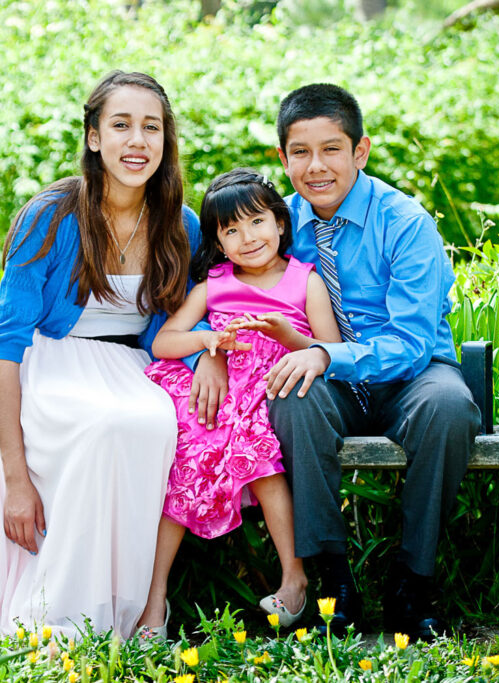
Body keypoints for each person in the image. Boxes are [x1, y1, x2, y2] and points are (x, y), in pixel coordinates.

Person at [0, 71, 201, 639]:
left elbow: (189, 320)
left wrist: (209, 358)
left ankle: (126, 612)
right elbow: (5, 348)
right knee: (103, 427)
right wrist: (16, 481)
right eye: (120, 125)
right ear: (94, 137)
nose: (137, 141)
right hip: (47, 365)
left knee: (153, 423)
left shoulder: (181, 225)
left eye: (151, 127)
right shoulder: (49, 217)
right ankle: (59, 617)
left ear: (166, 141)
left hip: (131, 370)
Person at [265, 84, 482, 640]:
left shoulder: (406, 222)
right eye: (300, 152)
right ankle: (332, 580)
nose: (317, 166)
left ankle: (415, 579)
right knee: (294, 395)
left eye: (332, 149)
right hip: (326, 376)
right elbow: (221, 289)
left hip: (411, 376)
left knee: (450, 407)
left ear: (360, 152)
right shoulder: (278, 224)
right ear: (282, 157)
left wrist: (325, 352)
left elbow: (410, 343)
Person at [135, 169, 343, 638]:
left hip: (269, 393)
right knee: (182, 465)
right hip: (216, 397)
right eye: (230, 230)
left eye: (256, 222)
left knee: (262, 459)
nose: (247, 238)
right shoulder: (213, 284)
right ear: (218, 243)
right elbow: (164, 343)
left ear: (281, 224)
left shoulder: (304, 281)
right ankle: (153, 601)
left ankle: (295, 579)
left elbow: (329, 348)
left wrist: (291, 338)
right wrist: (208, 340)